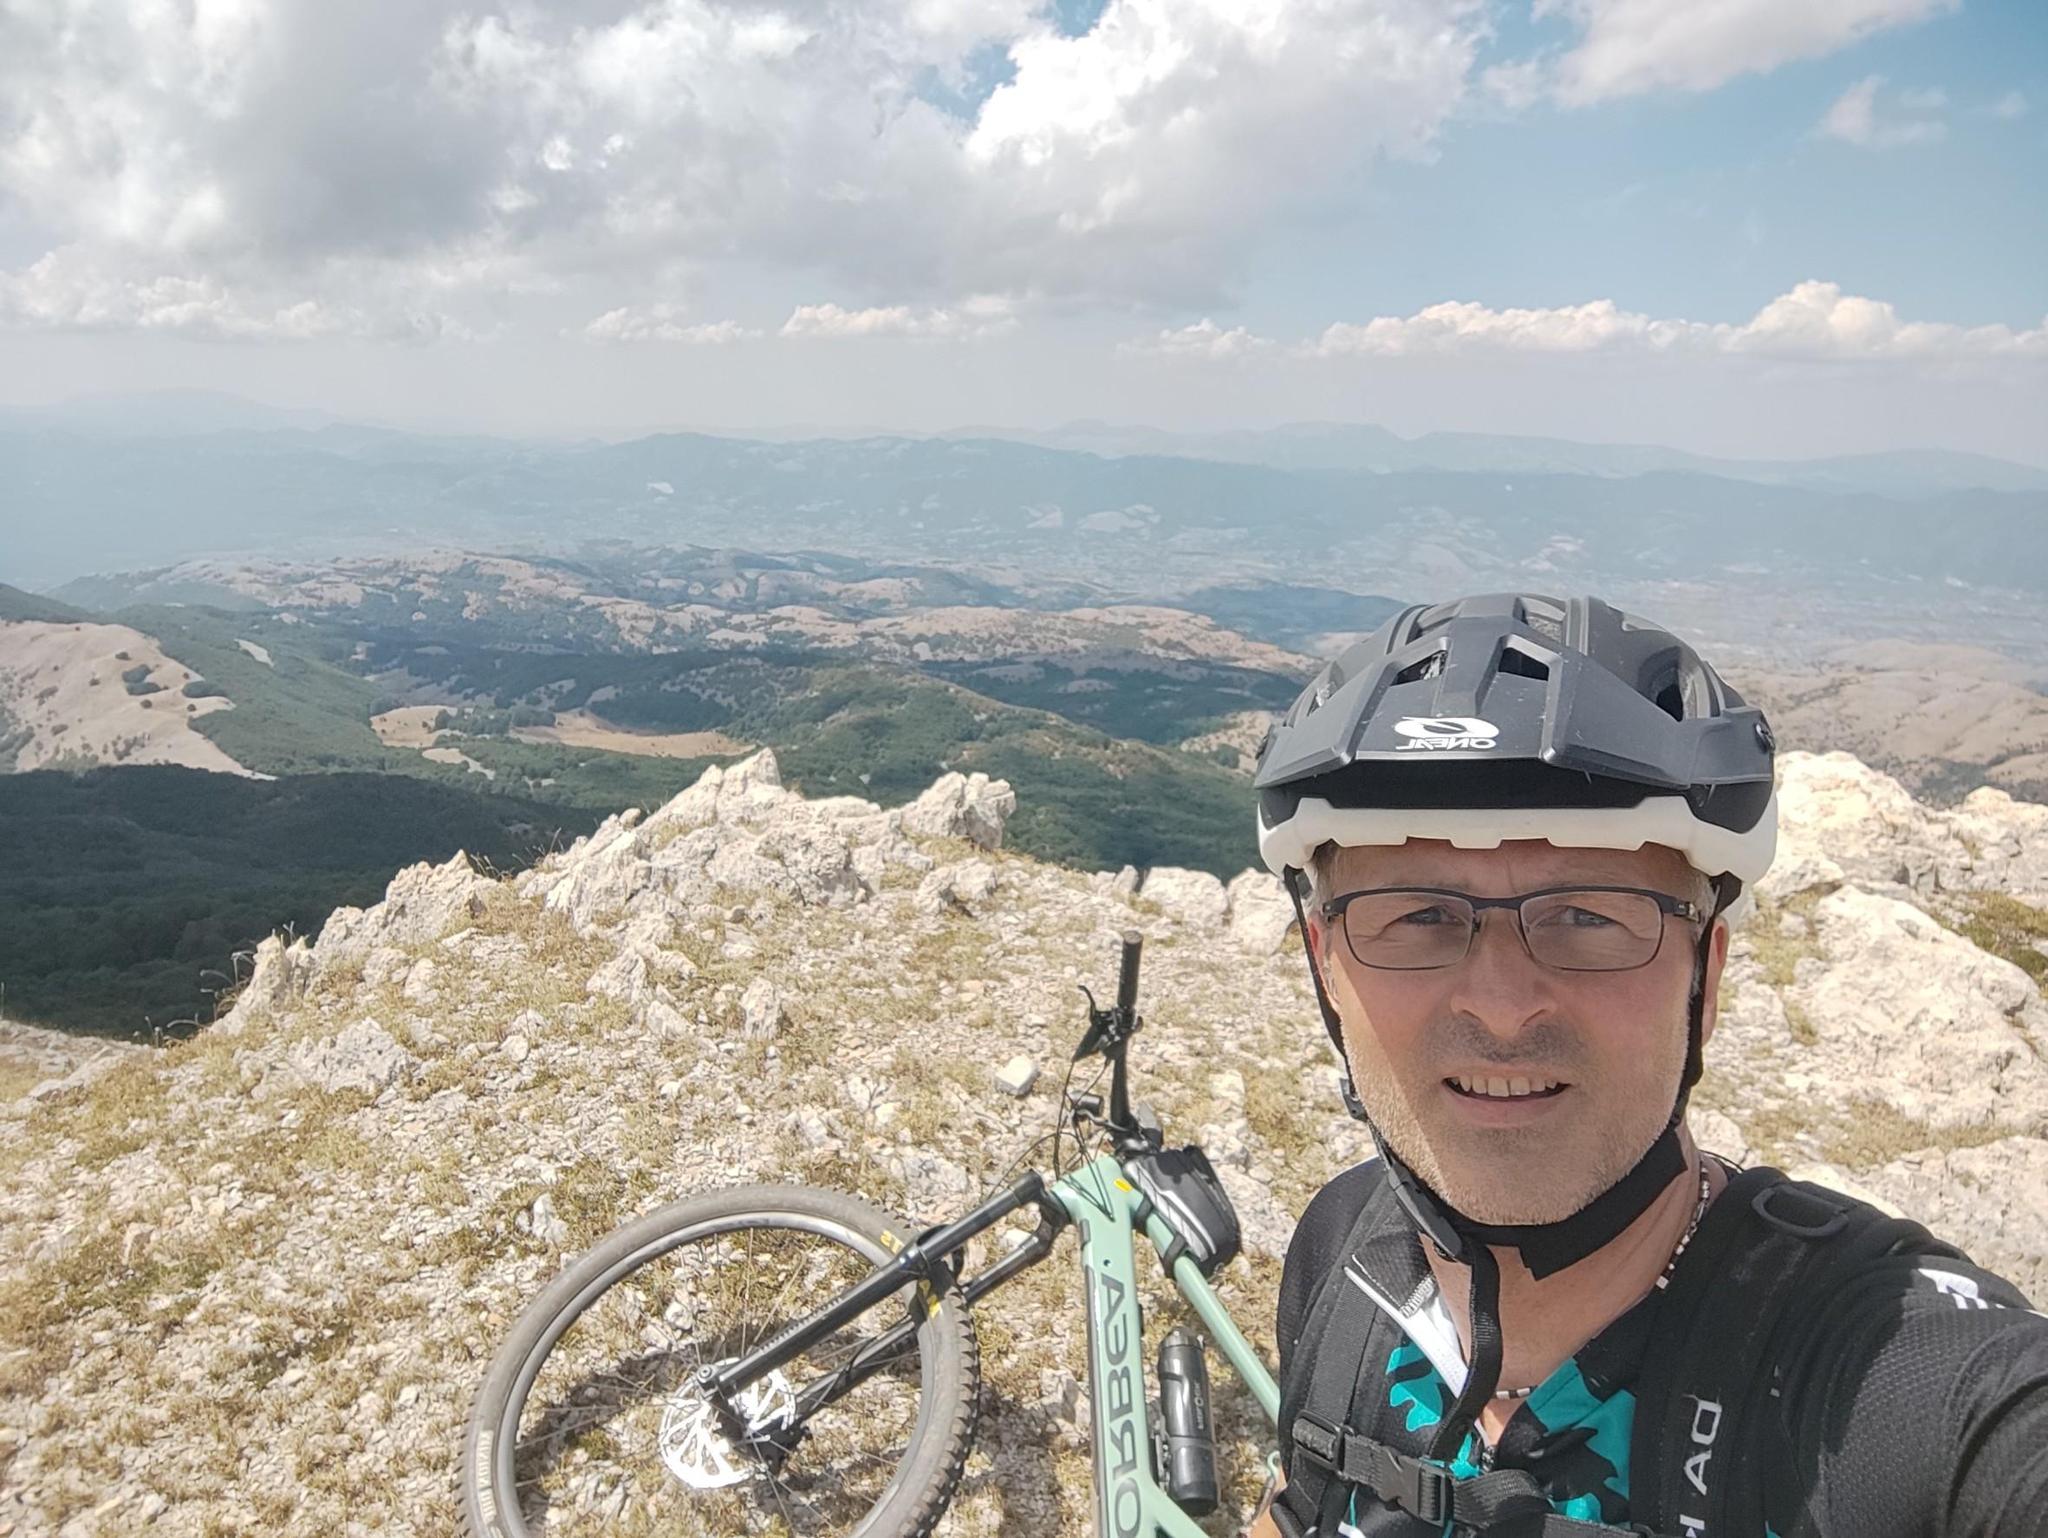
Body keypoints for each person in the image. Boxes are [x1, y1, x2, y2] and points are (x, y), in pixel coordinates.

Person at [1244, 593, 2048, 1537]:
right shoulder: (1343, 1249)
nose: (1501, 1006)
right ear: (1325, 967)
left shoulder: (1880, 1376)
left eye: (1588, 916)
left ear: (1706, 975)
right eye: (1417, 916)